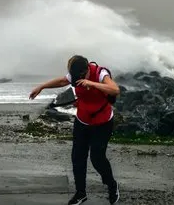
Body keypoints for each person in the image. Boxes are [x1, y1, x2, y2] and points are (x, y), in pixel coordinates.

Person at [29, 55, 120, 205]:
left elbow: (114, 89)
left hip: (102, 122)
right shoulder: (75, 74)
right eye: (74, 77)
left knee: (97, 158)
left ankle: (112, 185)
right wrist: (42, 86)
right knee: (77, 158)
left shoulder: (100, 73)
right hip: (83, 120)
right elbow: (62, 81)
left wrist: (92, 83)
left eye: (81, 76)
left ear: (86, 70)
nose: (77, 79)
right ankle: (80, 193)